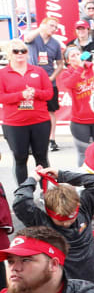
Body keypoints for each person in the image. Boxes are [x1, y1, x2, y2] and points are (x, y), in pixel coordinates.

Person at [12, 166, 94, 287]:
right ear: (48, 212)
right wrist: (33, 178)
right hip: (65, 290)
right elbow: (20, 202)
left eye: (71, 218)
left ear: (77, 205)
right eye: (61, 221)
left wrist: (61, 175)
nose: (67, 224)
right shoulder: (43, 225)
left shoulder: (85, 210)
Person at [0, 39, 53, 185]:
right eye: (15, 51)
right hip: (15, 123)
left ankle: (46, 193)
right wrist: (20, 96)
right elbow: (1, 97)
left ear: (27, 53)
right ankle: (23, 194)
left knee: (41, 157)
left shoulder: (38, 71)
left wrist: (35, 92)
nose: (19, 54)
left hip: (40, 121)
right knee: (20, 158)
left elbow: (49, 93)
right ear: (9, 54)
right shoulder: (2, 74)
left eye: (23, 50)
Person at [22, 18, 64, 153]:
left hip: (49, 81)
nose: (53, 29)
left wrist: (52, 77)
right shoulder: (35, 38)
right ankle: (30, 141)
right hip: (32, 81)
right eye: (51, 25)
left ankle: (52, 139)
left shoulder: (55, 44)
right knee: (31, 109)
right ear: (43, 24)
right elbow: (27, 38)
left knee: (51, 111)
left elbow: (60, 64)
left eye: (56, 27)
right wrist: (41, 29)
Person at [59, 47, 94, 167]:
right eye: (72, 56)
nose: (76, 57)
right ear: (68, 61)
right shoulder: (66, 74)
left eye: (78, 54)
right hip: (79, 121)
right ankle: (83, 181)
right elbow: (70, 83)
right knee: (83, 154)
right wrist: (80, 68)